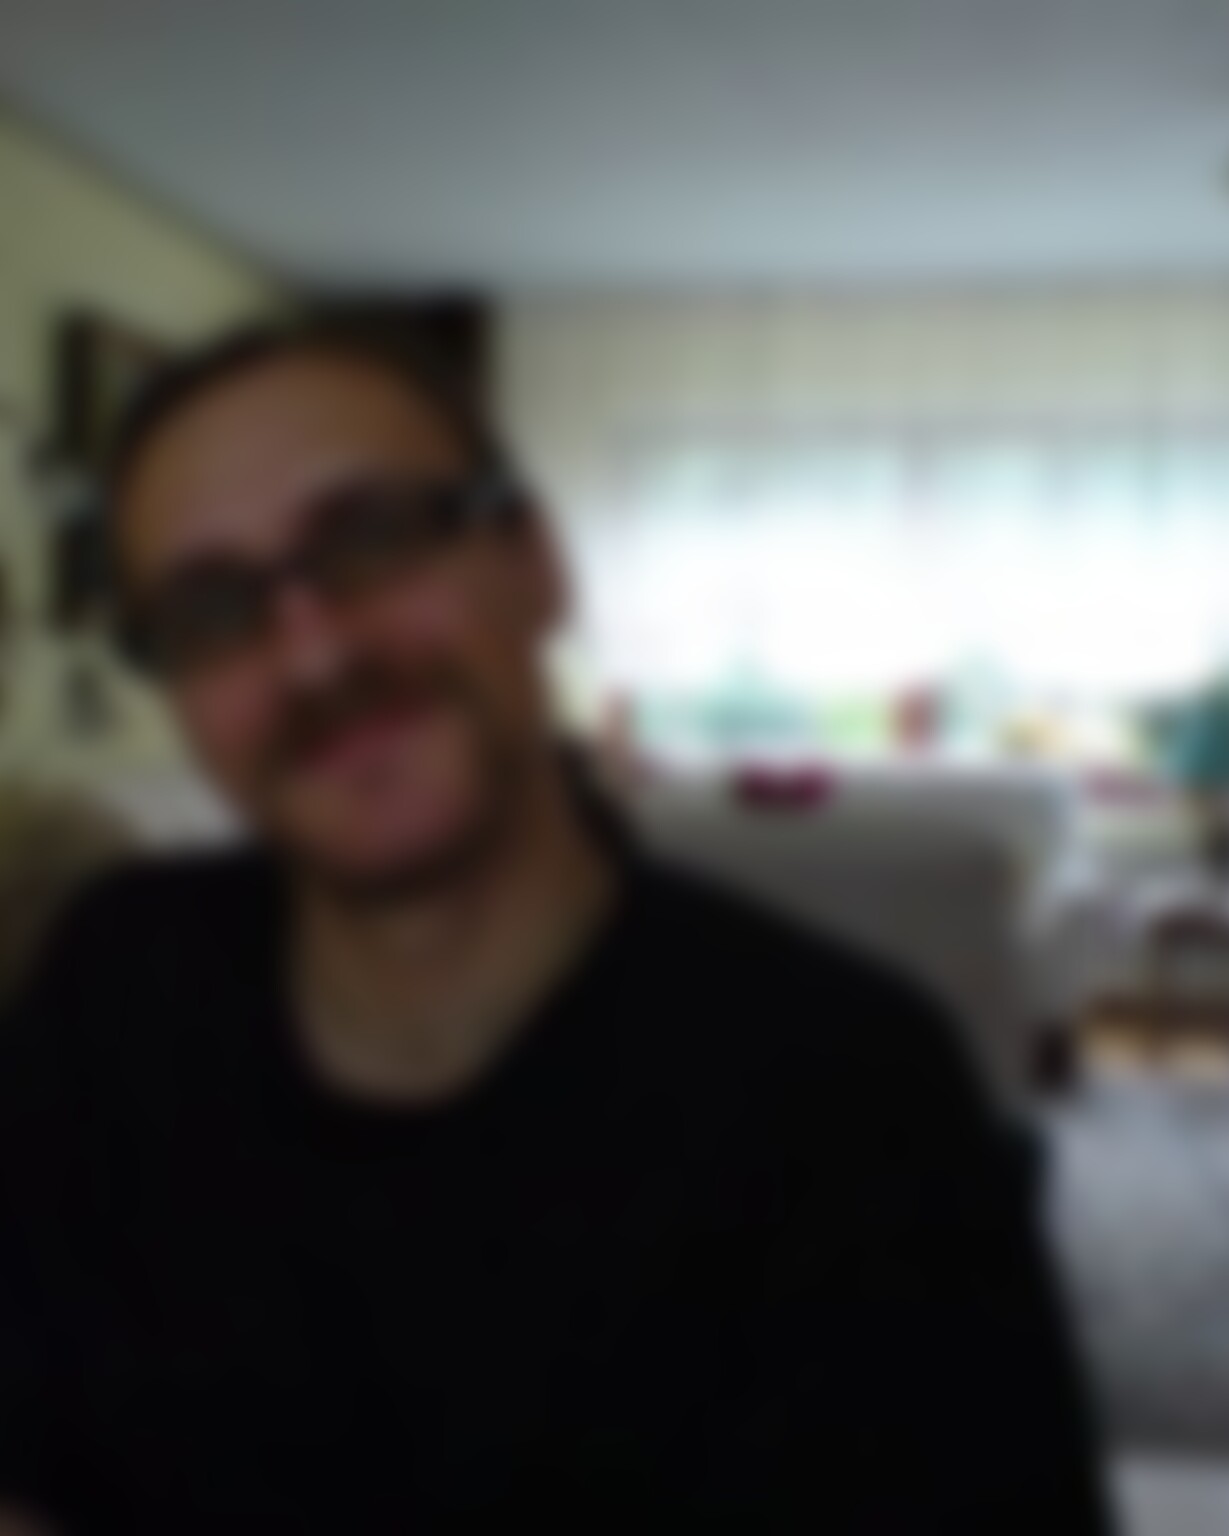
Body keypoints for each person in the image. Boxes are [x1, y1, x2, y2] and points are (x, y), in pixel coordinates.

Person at [0, 319, 1113, 1534]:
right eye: (212, 609)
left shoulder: (847, 1096)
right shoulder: (117, 981)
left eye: (373, 536)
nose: (314, 657)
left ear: (536, 563)